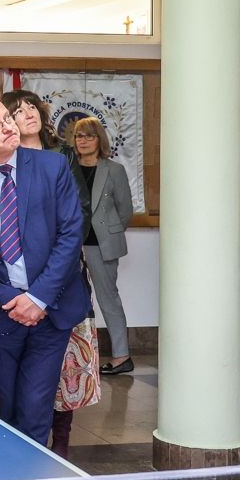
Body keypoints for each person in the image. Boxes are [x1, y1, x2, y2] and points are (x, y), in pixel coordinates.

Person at [0, 96, 88, 445]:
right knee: (9, 404)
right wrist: (12, 300)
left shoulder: (52, 167)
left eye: (7, 118)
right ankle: (13, 469)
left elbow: (71, 234)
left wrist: (37, 298)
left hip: (51, 309)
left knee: (35, 405)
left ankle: (33, 475)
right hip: (3, 312)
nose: (8, 127)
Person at [2, 89, 93, 454]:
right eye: (18, 110)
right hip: (20, 285)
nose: (29, 114)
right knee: (25, 377)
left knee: (67, 367)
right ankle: (21, 443)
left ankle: (62, 444)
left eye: (32, 107)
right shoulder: (4, 160)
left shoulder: (63, 156)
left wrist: (55, 254)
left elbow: (79, 212)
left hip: (64, 274)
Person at [71, 117, 136, 376]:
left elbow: (125, 210)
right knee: (71, 300)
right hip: (70, 246)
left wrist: (107, 233)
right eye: (79, 136)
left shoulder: (114, 170)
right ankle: (75, 357)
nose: (83, 141)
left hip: (101, 245)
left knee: (108, 299)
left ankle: (122, 356)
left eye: (89, 135)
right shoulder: (68, 168)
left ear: (100, 140)